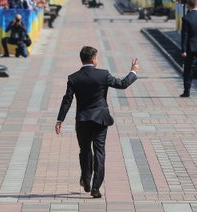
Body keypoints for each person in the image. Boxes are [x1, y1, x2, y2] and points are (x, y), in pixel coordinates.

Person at [55, 46, 140, 198]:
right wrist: (133, 71)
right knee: (99, 152)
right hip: (100, 120)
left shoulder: (73, 78)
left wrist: (60, 119)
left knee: (85, 151)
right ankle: (95, 188)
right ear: (93, 59)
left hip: (82, 120)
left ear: (82, 59)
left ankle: (86, 180)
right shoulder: (103, 74)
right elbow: (122, 84)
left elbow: (67, 100)